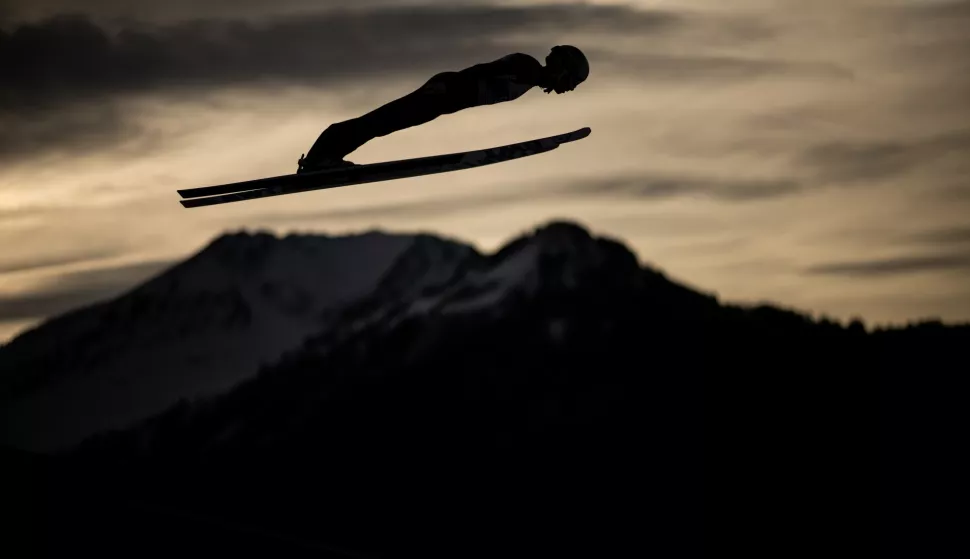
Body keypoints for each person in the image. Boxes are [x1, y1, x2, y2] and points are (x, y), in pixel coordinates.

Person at [297, 45, 590, 173]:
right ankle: (321, 158)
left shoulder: (529, 77)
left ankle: (323, 158)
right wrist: (445, 88)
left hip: (446, 97)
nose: (568, 90)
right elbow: (480, 71)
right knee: (381, 121)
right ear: (562, 68)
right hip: (445, 92)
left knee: (382, 123)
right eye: (571, 82)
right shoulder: (526, 67)